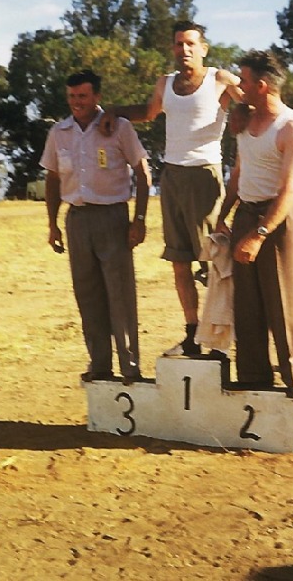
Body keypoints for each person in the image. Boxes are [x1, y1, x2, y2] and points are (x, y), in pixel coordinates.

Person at [100, 20, 244, 357]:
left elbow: (247, 102)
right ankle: (192, 334)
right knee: (180, 261)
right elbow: (149, 114)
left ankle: (220, 338)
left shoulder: (218, 79)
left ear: (203, 48)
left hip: (205, 176)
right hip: (173, 177)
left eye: (191, 44)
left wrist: (248, 113)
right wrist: (115, 111)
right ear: (173, 49)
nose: (185, 50)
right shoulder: (164, 84)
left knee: (214, 260)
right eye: (179, 44)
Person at [40, 70, 151, 384]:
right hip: (77, 219)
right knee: (87, 295)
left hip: (112, 218)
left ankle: (131, 368)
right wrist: (52, 224)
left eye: (83, 96)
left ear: (97, 97)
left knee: (120, 295)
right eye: (72, 97)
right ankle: (100, 365)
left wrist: (139, 219)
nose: (77, 103)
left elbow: (143, 173)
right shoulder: (58, 133)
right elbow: (52, 179)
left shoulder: (119, 128)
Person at [215, 50, 293, 398]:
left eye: (243, 80)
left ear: (262, 85)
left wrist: (259, 235)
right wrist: (223, 214)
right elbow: (239, 174)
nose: (239, 86)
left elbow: (289, 190)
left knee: (282, 302)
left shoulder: (291, 128)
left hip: (277, 220)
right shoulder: (245, 122)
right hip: (245, 214)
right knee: (248, 305)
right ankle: (254, 377)